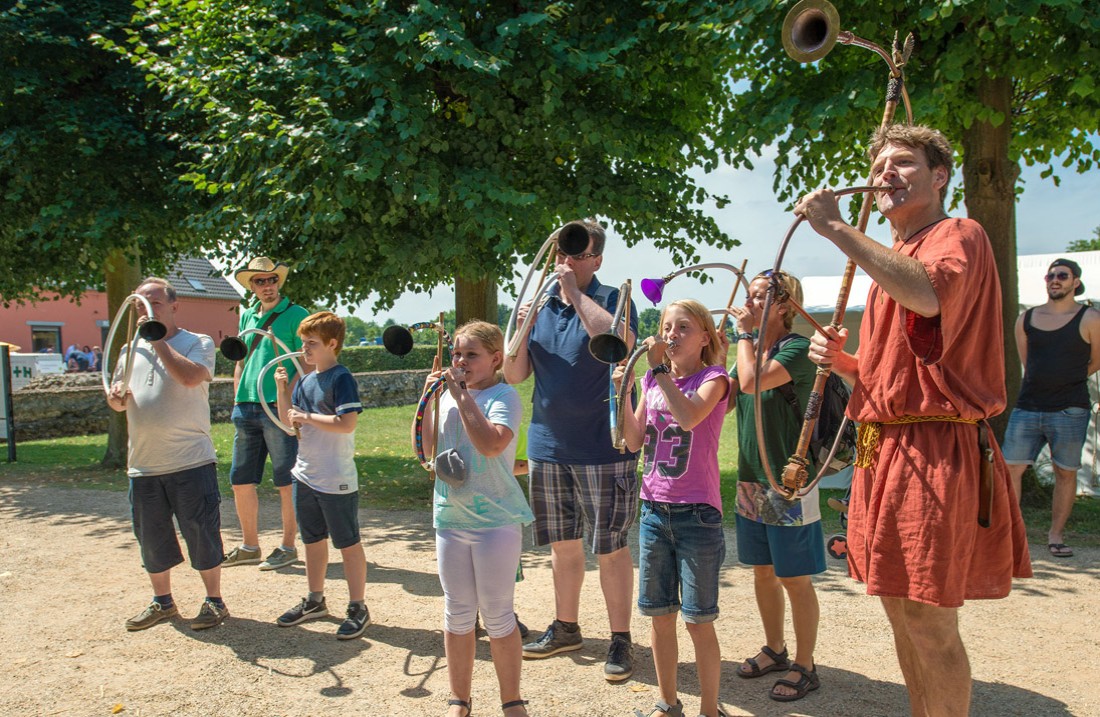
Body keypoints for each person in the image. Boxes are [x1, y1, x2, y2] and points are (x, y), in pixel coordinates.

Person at [799, 124, 1032, 717]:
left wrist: (836, 228)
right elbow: (900, 374)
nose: (887, 175)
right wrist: (848, 364)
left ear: (941, 176)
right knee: (899, 610)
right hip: (886, 444)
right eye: (881, 166)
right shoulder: (893, 255)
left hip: (936, 445)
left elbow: (929, 294)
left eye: (903, 163)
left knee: (929, 620)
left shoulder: (959, 233)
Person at [502, 218, 640, 682]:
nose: (567, 260)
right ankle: (566, 627)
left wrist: (575, 295)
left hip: (605, 446)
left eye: (579, 254)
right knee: (562, 547)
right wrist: (521, 330)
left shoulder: (614, 300)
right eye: (563, 251)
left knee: (611, 547)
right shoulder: (540, 303)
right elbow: (515, 374)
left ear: (597, 260)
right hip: (549, 444)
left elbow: (619, 348)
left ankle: (620, 637)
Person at [615, 300, 729, 717]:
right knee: (660, 616)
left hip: (697, 514)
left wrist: (659, 372)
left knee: (698, 620)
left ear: (705, 338)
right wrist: (623, 393)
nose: (671, 335)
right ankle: (668, 702)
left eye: (683, 328)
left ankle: (710, 709)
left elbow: (688, 418)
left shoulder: (715, 378)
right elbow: (631, 440)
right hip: (653, 511)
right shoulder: (650, 379)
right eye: (667, 327)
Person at [417, 321, 533, 717]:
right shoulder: (448, 394)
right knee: (457, 611)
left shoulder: (505, 396)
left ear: (496, 358)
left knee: (499, 614)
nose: (461, 362)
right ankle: (459, 699)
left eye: (471, 355)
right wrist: (429, 400)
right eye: (457, 354)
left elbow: (490, 444)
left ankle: (511, 701)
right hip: (450, 517)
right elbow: (426, 450)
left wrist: (458, 394)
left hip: (496, 521)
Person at [106, 277, 228, 632]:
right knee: (151, 537)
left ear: (174, 306)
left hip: (190, 459)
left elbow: (191, 378)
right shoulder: (130, 350)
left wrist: (157, 340)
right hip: (143, 463)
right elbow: (117, 400)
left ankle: (214, 601)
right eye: (141, 303)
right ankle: (163, 601)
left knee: (201, 531)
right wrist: (115, 397)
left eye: (155, 303)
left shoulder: (197, 342)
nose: (146, 309)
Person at [725, 271, 825, 703]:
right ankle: (776, 649)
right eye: (749, 295)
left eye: (760, 296)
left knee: (794, 577)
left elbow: (751, 382)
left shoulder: (798, 349)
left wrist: (742, 334)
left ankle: (806, 664)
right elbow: (726, 396)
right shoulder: (749, 350)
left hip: (788, 482)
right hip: (751, 478)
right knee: (763, 572)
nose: (750, 302)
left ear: (784, 305)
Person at [272, 311, 369, 639]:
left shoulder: (341, 378)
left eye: (311, 343)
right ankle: (315, 600)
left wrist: (308, 417)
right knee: (312, 540)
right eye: (303, 343)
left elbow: (348, 424)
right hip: (305, 474)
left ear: (332, 344)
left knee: (348, 543)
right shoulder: (307, 379)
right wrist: (283, 388)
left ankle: (358, 606)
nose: (304, 349)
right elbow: (290, 423)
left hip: (335, 476)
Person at [1003, 258, 1100, 558]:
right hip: (1028, 406)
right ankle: (1011, 535)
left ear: (1075, 282)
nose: (1055, 280)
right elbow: (1026, 362)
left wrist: (1069, 378)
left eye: (1062, 275)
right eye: (1051, 275)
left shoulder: (1090, 318)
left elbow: (1096, 359)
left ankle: (1056, 535)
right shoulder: (1027, 319)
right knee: (1010, 469)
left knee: (1065, 472)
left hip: (1071, 409)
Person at [223, 256, 310, 571]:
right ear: (252, 286)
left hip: (277, 407)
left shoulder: (297, 315)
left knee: (286, 479)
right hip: (246, 406)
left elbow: (308, 360)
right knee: (240, 479)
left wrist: (290, 397)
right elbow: (240, 361)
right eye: (260, 281)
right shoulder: (246, 316)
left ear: (279, 282)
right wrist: (237, 396)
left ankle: (288, 546)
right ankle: (249, 546)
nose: (267, 286)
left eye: (272, 280)